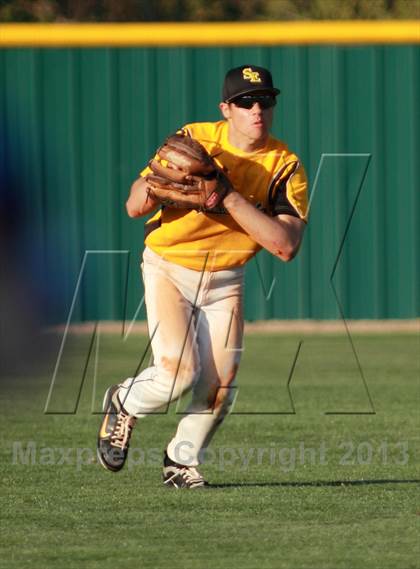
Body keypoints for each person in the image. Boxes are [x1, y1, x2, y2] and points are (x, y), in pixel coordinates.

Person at [97, 64, 308, 488]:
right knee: (177, 373)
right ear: (225, 108)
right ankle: (124, 400)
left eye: (265, 100)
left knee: (220, 386)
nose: (257, 109)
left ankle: (180, 462)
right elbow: (134, 205)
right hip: (169, 266)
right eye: (245, 102)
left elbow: (284, 245)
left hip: (226, 277)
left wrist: (225, 195)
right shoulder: (195, 140)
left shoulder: (284, 166)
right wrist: (159, 184)